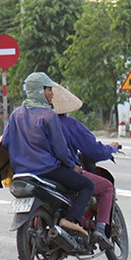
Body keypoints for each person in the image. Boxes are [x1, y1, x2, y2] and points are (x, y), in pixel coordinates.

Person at [1, 72, 94, 241]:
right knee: (86, 185)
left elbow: (6, 142)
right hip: (46, 170)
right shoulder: (48, 115)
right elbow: (60, 149)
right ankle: (70, 219)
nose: (51, 94)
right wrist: (72, 165)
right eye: (49, 89)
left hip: (21, 172)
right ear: (39, 91)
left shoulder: (16, 114)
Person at [51, 85, 118, 250]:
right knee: (106, 187)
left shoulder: (37, 123)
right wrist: (112, 148)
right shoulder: (69, 124)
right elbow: (93, 149)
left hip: (40, 172)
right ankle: (101, 230)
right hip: (64, 171)